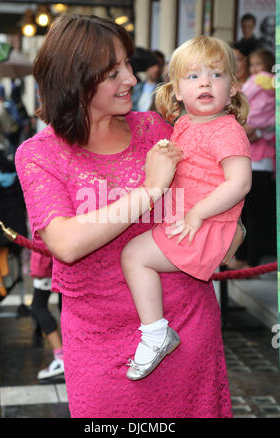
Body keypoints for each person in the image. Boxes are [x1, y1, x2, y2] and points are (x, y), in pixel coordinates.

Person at [15, 15, 244, 418]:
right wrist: (149, 191)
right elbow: (65, 244)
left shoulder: (156, 127)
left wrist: (231, 230)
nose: (131, 79)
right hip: (99, 342)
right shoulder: (40, 154)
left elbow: (217, 188)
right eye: (113, 71)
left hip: (187, 324)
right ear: (76, 79)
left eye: (127, 65)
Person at [121, 35, 252, 380]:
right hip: (194, 221)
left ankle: (155, 333)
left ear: (234, 88)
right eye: (193, 76)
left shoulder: (226, 130)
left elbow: (239, 183)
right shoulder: (185, 124)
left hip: (204, 225)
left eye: (217, 75)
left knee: (134, 255)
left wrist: (197, 213)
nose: (206, 82)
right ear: (177, 90)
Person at [228, 48, 276, 270]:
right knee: (244, 214)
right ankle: (243, 259)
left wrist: (255, 128)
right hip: (246, 162)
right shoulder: (249, 90)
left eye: (259, 65)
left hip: (261, 163)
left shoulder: (265, 90)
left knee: (254, 216)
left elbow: (266, 120)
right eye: (253, 64)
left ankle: (253, 263)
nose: (256, 70)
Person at [29, 251, 64, 381]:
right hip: (61, 259)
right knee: (64, 306)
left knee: (38, 306)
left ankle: (61, 357)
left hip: (49, 260)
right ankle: (67, 355)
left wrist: (38, 267)